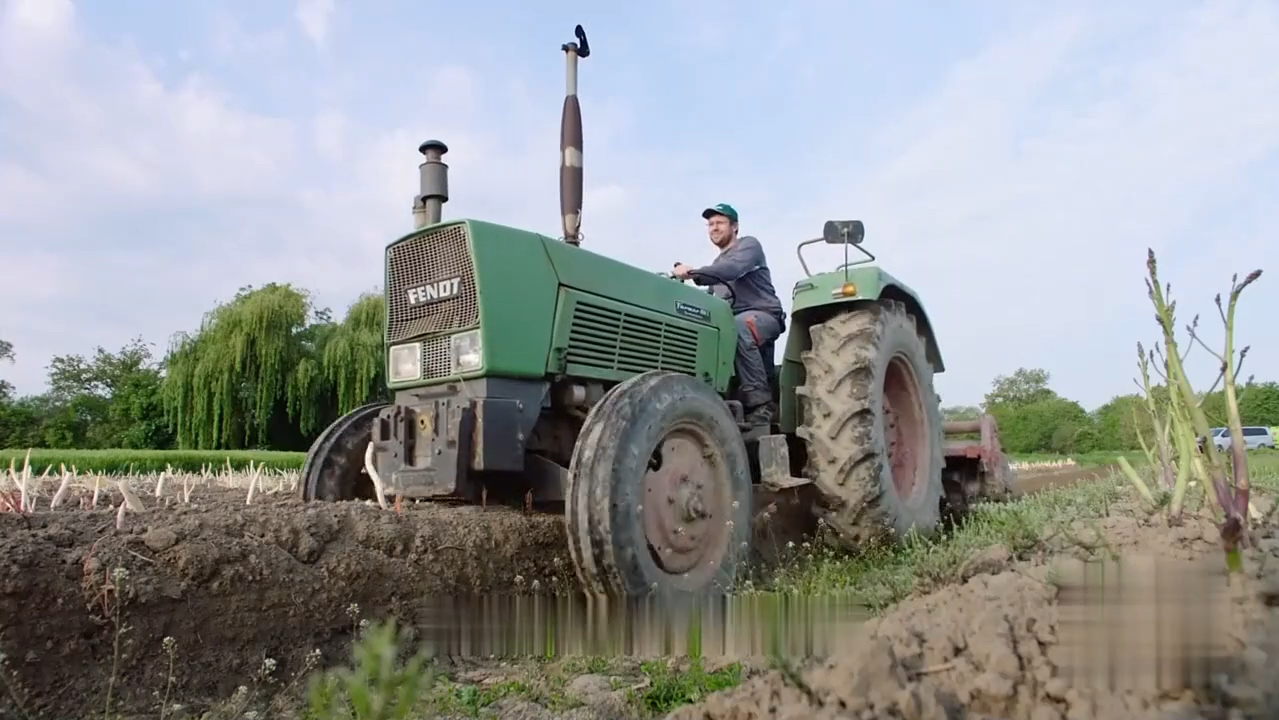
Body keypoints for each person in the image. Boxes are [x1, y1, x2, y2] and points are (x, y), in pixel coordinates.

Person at [673, 203, 785, 426]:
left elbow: (733, 269)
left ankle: (762, 404)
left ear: (734, 227)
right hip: (730, 322)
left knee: (739, 326)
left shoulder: (749, 247)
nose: (714, 228)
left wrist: (694, 273)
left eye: (720, 223)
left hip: (763, 316)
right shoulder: (717, 264)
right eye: (711, 224)